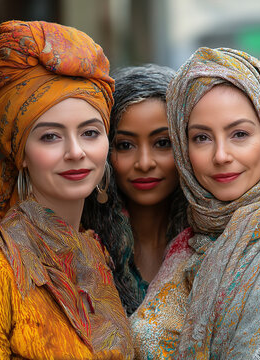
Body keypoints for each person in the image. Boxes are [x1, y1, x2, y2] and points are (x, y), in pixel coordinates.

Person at [129, 47, 260, 359]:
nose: (221, 156)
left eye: (239, 134)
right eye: (201, 138)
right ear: (183, 149)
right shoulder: (184, 245)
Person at [0, 20, 134, 359]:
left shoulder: (95, 252)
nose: (75, 152)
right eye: (50, 136)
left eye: (90, 133)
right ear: (23, 156)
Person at [103, 64, 188, 313]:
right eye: (125, 145)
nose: (144, 163)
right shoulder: (87, 250)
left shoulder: (211, 246)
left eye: (162, 143)